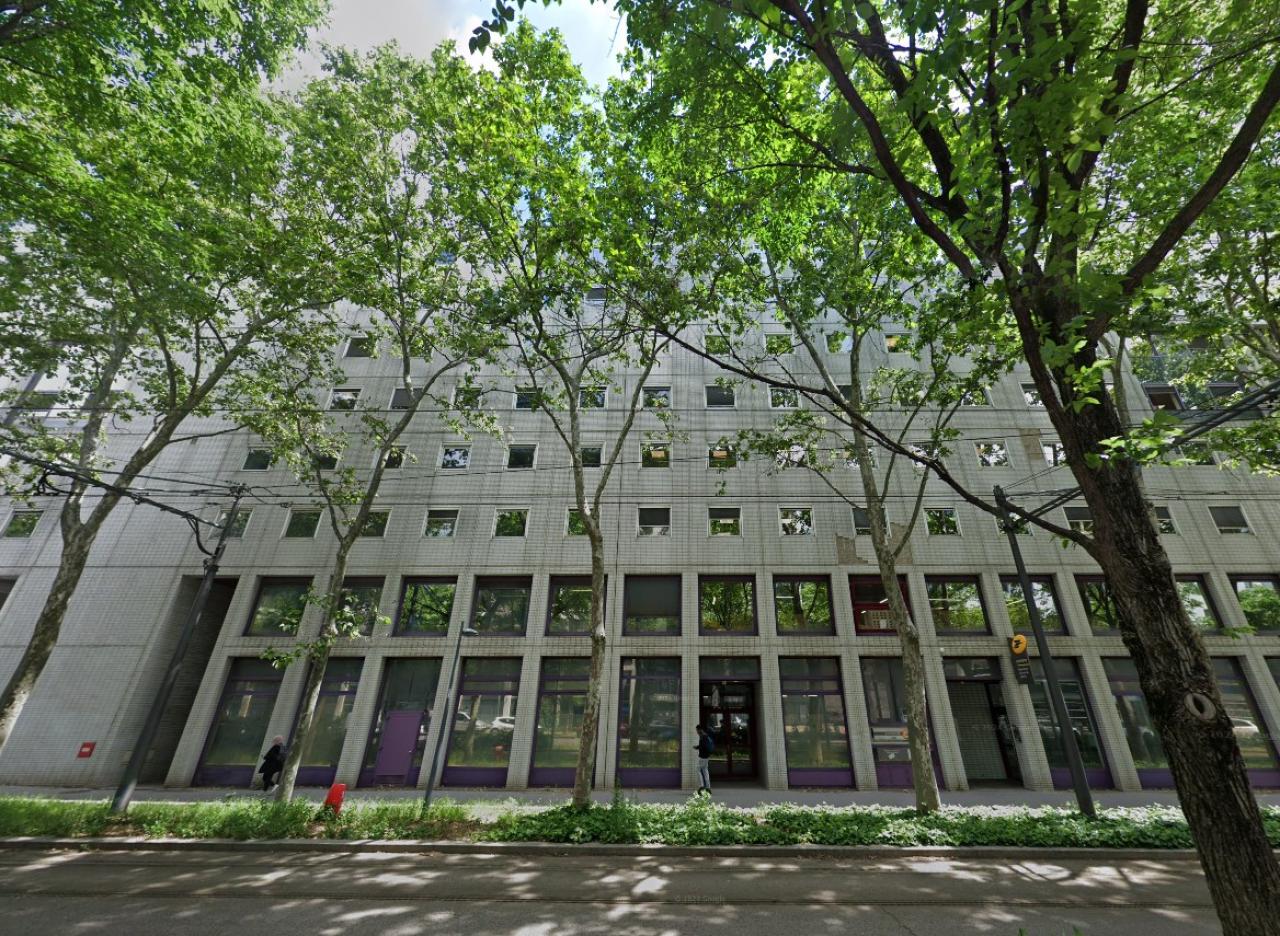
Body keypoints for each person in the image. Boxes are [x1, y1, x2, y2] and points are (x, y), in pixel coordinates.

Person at [693, 724, 714, 796]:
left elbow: (702, 746)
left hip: (702, 756)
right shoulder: (706, 736)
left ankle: (701, 786)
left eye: (697, 730)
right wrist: (698, 747)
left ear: (699, 729)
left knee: (698, 769)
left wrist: (697, 747)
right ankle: (708, 787)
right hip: (707, 757)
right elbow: (704, 746)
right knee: (705, 770)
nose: (696, 731)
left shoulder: (702, 736)